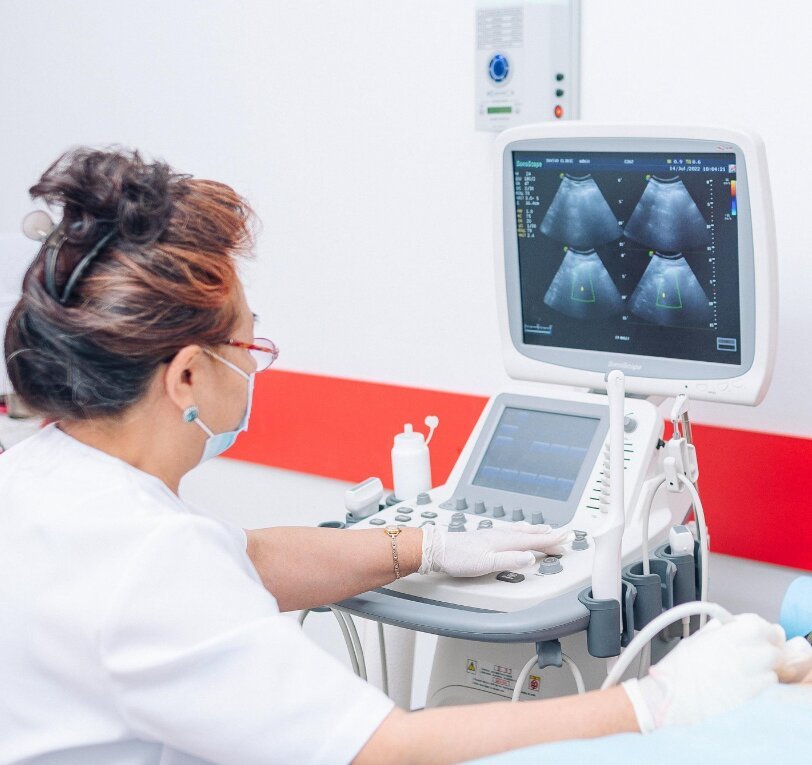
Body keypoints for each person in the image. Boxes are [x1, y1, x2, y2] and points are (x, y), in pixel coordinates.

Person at [0, 148, 787, 765]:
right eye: (248, 344)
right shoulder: (149, 562)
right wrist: (653, 702)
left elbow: (243, 558)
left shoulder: (42, 480)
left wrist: (421, 545)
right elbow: (386, 747)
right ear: (185, 378)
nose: (254, 361)